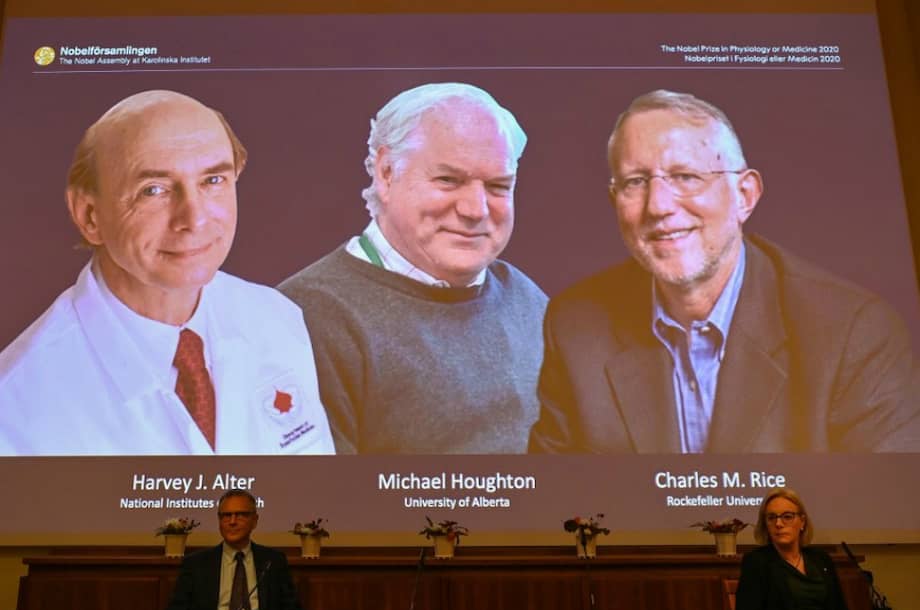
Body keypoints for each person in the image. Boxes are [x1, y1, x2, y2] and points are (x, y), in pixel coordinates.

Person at [528, 89, 920, 453]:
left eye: (686, 177)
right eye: (636, 182)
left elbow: (885, 512)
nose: (659, 205)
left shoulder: (853, 334)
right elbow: (557, 501)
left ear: (745, 195)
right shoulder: (575, 327)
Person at [0, 90, 335, 455]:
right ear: (89, 216)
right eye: (153, 190)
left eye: (213, 181)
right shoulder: (18, 406)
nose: (194, 219)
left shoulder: (276, 318)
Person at [279, 82, 547, 453]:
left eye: (499, 186)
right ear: (386, 173)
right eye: (448, 180)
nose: (476, 209)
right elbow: (321, 501)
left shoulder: (527, 300)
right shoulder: (303, 317)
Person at [166, 489, 303, 610]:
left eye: (240, 515)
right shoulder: (195, 564)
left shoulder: (274, 561)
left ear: (254, 521)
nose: (232, 521)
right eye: (226, 515)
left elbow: (292, 609)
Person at [735, 487, 849, 610]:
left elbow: (839, 607)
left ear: (802, 522)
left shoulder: (821, 559)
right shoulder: (756, 563)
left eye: (787, 517)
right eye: (771, 518)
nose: (778, 524)